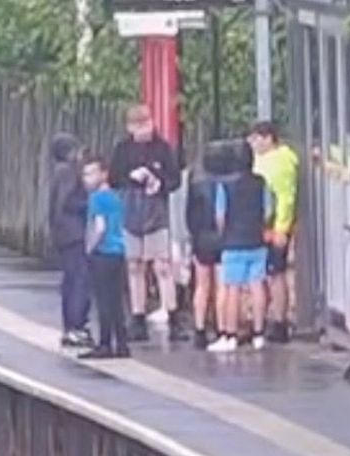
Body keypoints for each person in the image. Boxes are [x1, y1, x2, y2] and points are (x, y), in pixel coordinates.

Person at [110, 104, 181, 341]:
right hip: (131, 211)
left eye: (147, 123)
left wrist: (159, 182)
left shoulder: (162, 148)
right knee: (134, 265)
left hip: (156, 211)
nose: (143, 130)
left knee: (162, 265)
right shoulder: (122, 150)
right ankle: (137, 316)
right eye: (138, 125)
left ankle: (173, 314)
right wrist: (131, 177)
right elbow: (113, 178)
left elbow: (175, 179)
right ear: (130, 127)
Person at [208, 142, 275, 353]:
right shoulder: (261, 183)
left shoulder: (225, 185)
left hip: (233, 242)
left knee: (232, 289)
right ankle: (258, 333)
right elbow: (268, 211)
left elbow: (220, 216)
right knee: (257, 286)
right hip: (256, 240)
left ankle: (230, 335)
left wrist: (224, 232)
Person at [185, 139, 240, 349]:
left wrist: (194, 233)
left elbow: (189, 212)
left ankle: (199, 329)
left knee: (202, 285)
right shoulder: (231, 181)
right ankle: (221, 327)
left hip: (201, 236)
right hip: (224, 237)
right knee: (222, 286)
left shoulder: (196, 180)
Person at [248, 120, 299, 344]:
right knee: (269, 274)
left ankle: (280, 321)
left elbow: (285, 198)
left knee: (275, 273)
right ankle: (274, 318)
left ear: (269, 138)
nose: (253, 144)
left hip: (274, 226)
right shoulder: (267, 160)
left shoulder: (280, 163)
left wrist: (281, 229)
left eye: (257, 139)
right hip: (266, 225)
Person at [81, 156, 131, 360]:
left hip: (103, 253)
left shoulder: (96, 199)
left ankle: (104, 343)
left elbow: (99, 227)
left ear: (104, 174)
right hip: (119, 252)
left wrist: (89, 248)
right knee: (116, 300)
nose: (86, 178)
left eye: (91, 173)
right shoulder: (116, 197)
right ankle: (121, 343)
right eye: (85, 174)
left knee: (103, 300)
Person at [47, 132, 92, 348]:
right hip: (73, 233)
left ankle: (72, 326)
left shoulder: (59, 172)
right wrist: (89, 201)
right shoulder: (67, 173)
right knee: (78, 280)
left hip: (64, 233)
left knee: (71, 280)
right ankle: (76, 326)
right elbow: (67, 202)